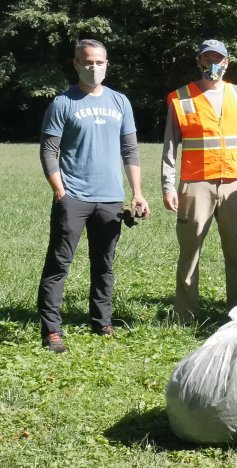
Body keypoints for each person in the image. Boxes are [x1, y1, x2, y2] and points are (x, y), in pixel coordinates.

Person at [36, 39, 151, 352]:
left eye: (100, 62)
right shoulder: (63, 102)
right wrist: (60, 191)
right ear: (76, 64)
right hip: (73, 197)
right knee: (59, 264)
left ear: (107, 64)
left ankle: (102, 322)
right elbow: (48, 150)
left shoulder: (120, 102)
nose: (94, 67)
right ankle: (52, 330)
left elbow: (130, 150)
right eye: (88, 62)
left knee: (104, 264)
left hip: (110, 198)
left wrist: (137, 193)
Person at [162, 39, 237, 322]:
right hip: (195, 184)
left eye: (218, 59)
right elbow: (170, 147)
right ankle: (186, 313)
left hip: (233, 182)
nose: (212, 64)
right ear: (199, 62)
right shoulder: (180, 97)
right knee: (190, 250)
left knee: (235, 249)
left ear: (227, 62)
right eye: (207, 59)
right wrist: (168, 186)